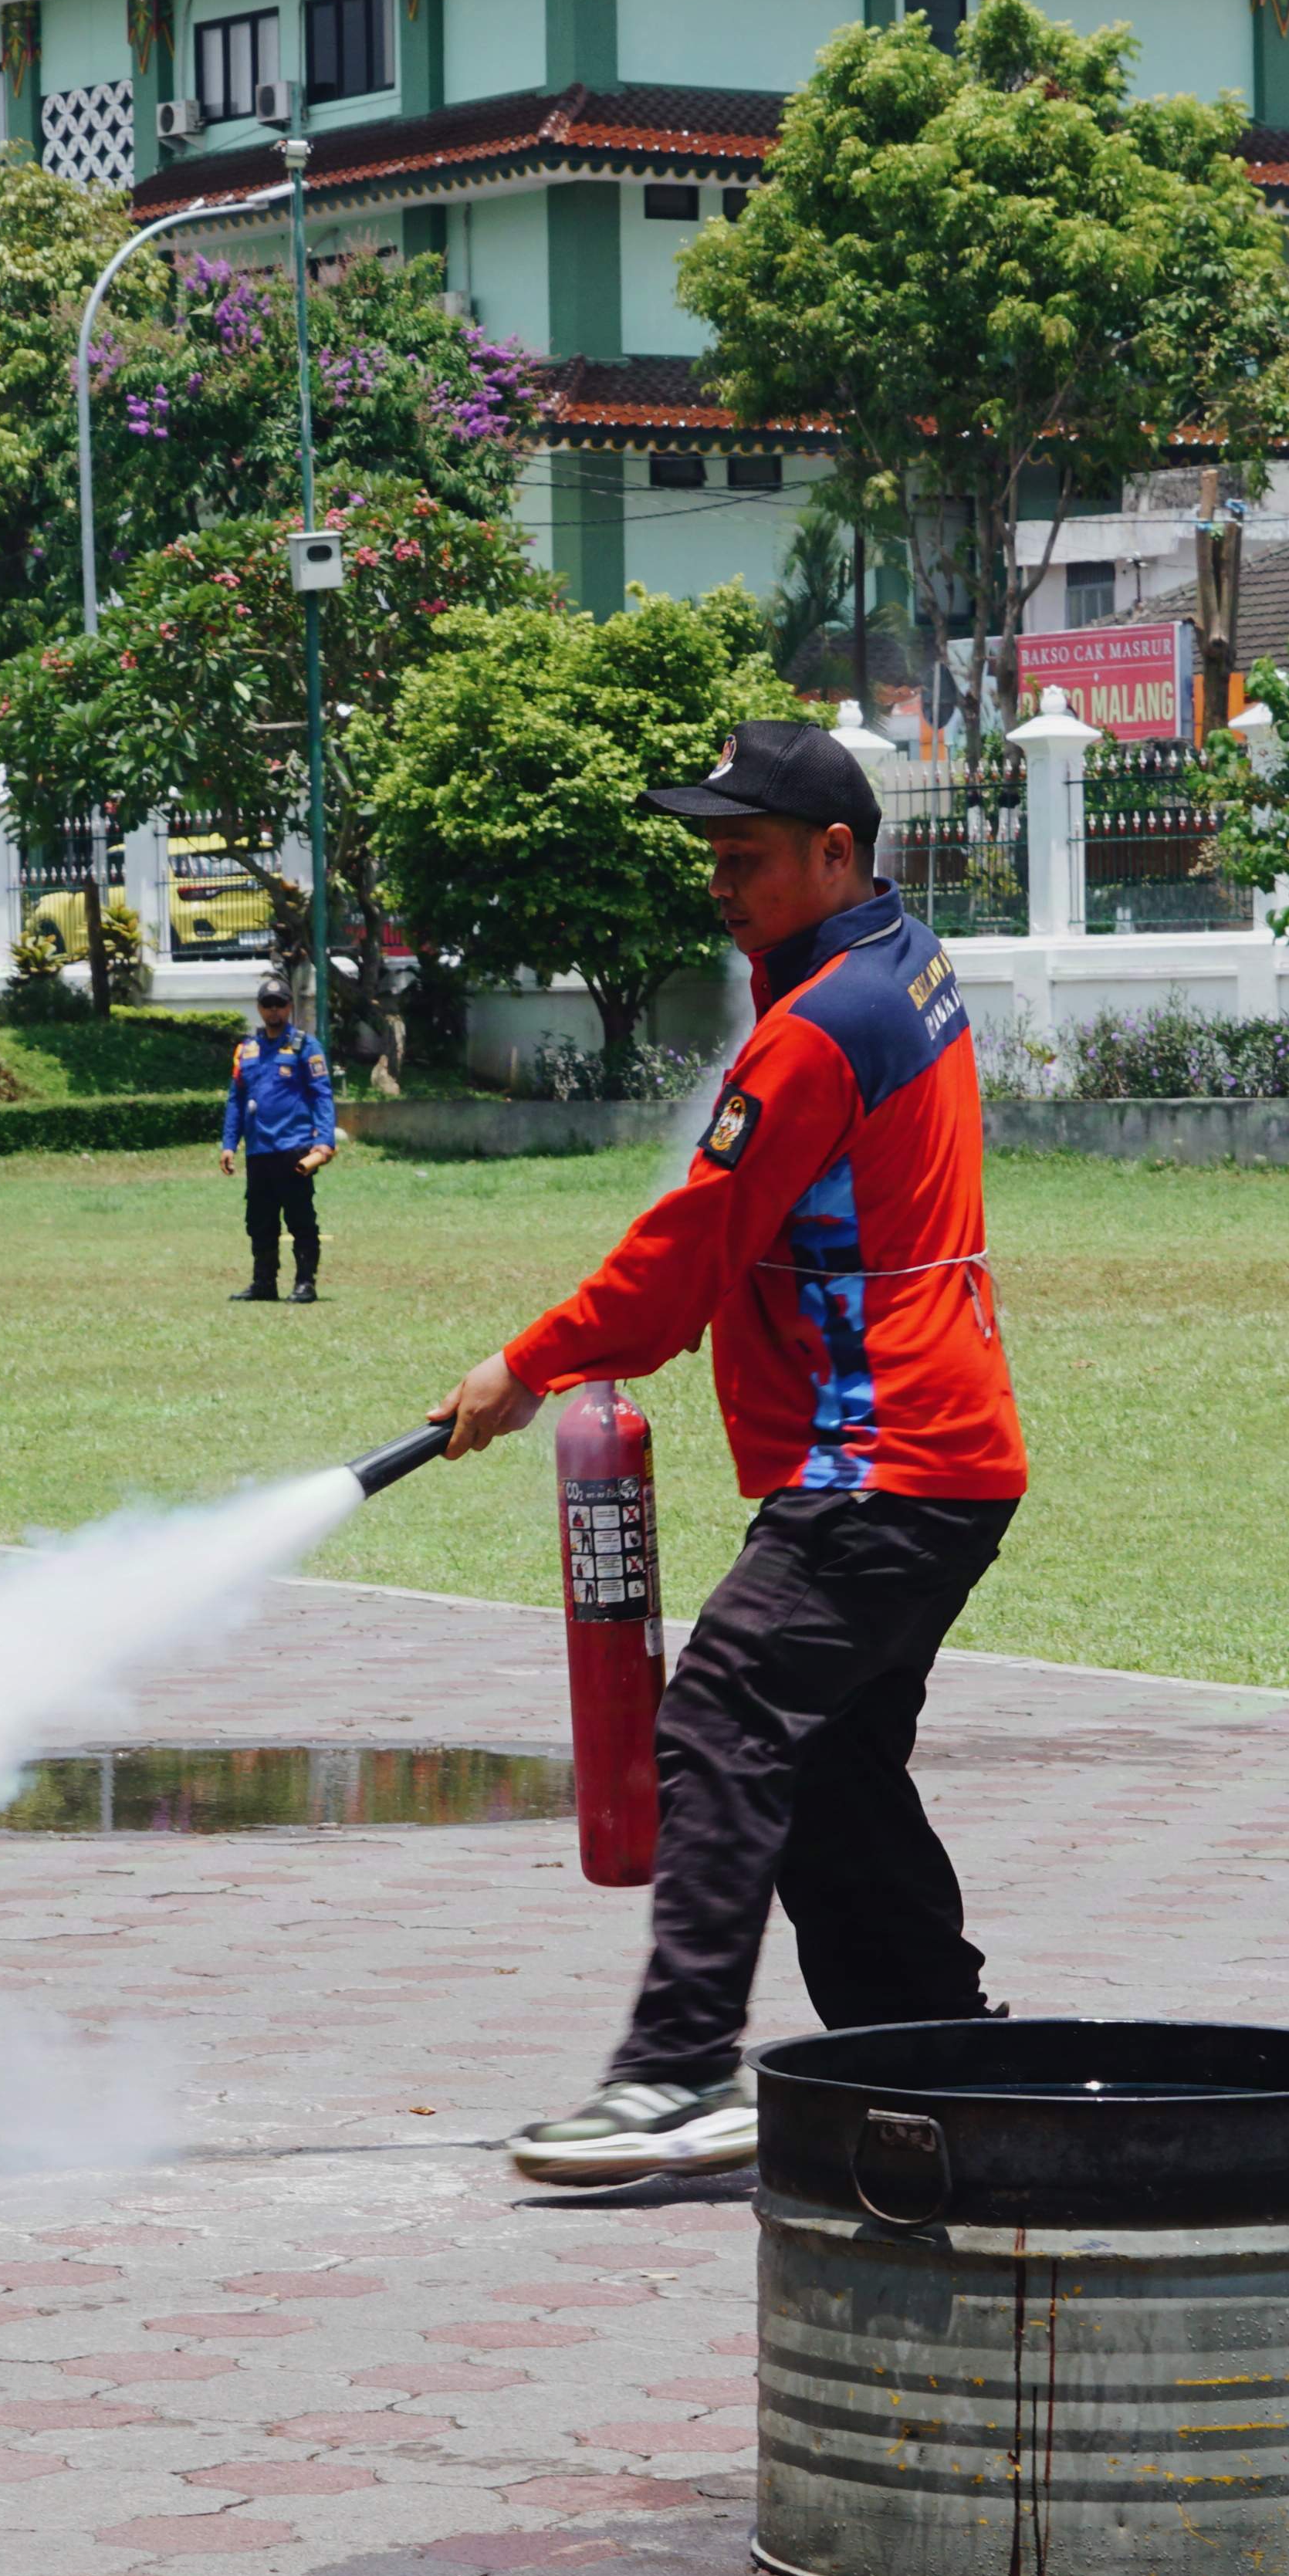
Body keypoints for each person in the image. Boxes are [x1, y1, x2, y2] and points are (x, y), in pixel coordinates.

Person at [426, 718, 1026, 2188]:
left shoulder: (816, 1028)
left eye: (745, 857)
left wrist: (526, 1362)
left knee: (719, 1724)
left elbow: (684, 1261)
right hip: (942, 1452)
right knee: (825, 1765)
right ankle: (932, 2056)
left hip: (875, 1464)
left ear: (835, 853)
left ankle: (676, 2073)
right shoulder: (899, 961)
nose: (719, 881)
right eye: (710, 854)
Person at [219, 975, 337, 1304]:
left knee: (300, 1217)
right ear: (259, 1008)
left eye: (280, 1004)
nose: (274, 1011)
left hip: (294, 1148)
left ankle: (305, 1284)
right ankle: (263, 1283)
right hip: (259, 1150)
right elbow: (236, 1099)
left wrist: (324, 1141)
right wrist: (229, 1143)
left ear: (290, 1007)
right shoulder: (247, 1049)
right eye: (267, 1005)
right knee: (259, 1220)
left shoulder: (304, 1046)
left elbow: (322, 1096)